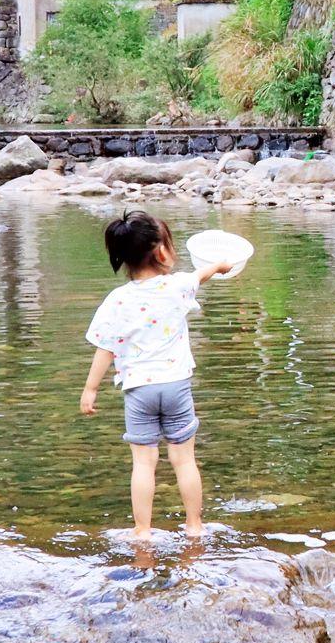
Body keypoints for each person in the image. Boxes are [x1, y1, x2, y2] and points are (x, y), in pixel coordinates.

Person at [80, 211, 233, 541]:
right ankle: (194, 527)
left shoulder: (117, 300)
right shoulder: (177, 286)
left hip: (138, 391)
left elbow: (105, 349)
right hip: (176, 386)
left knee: (144, 464)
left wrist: (90, 389)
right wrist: (220, 266)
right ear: (162, 252)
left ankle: (143, 531)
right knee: (184, 460)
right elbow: (201, 275)